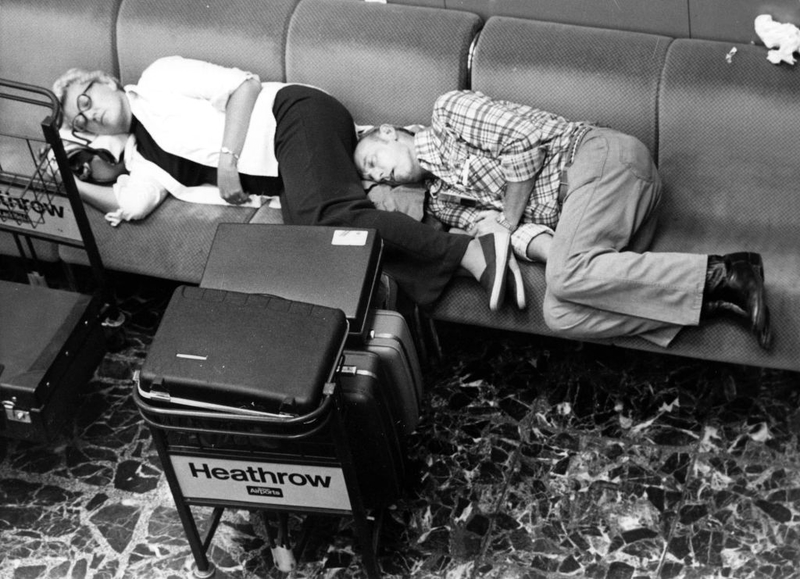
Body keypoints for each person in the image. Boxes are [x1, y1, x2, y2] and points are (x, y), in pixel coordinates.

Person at [53, 57, 519, 310]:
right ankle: (465, 255)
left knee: (331, 218)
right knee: (325, 252)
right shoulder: (139, 161)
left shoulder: (157, 79)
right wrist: (63, 171)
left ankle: (472, 253)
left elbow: (244, 87)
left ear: (108, 82)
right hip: (291, 174)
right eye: (82, 121)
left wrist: (228, 160)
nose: (89, 114)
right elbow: (129, 204)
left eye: (87, 99)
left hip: (295, 116)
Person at [354, 89, 773, 350]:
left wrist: (512, 224)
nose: (379, 174)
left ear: (389, 133)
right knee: (561, 313)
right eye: (371, 176)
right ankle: (714, 299)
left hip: (598, 159)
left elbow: (524, 144)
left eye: (373, 161)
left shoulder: (448, 113)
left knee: (568, 276)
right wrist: (556, 255)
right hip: (600, 221)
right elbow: (513, 235)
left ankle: (726, 271)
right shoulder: (443, 204)